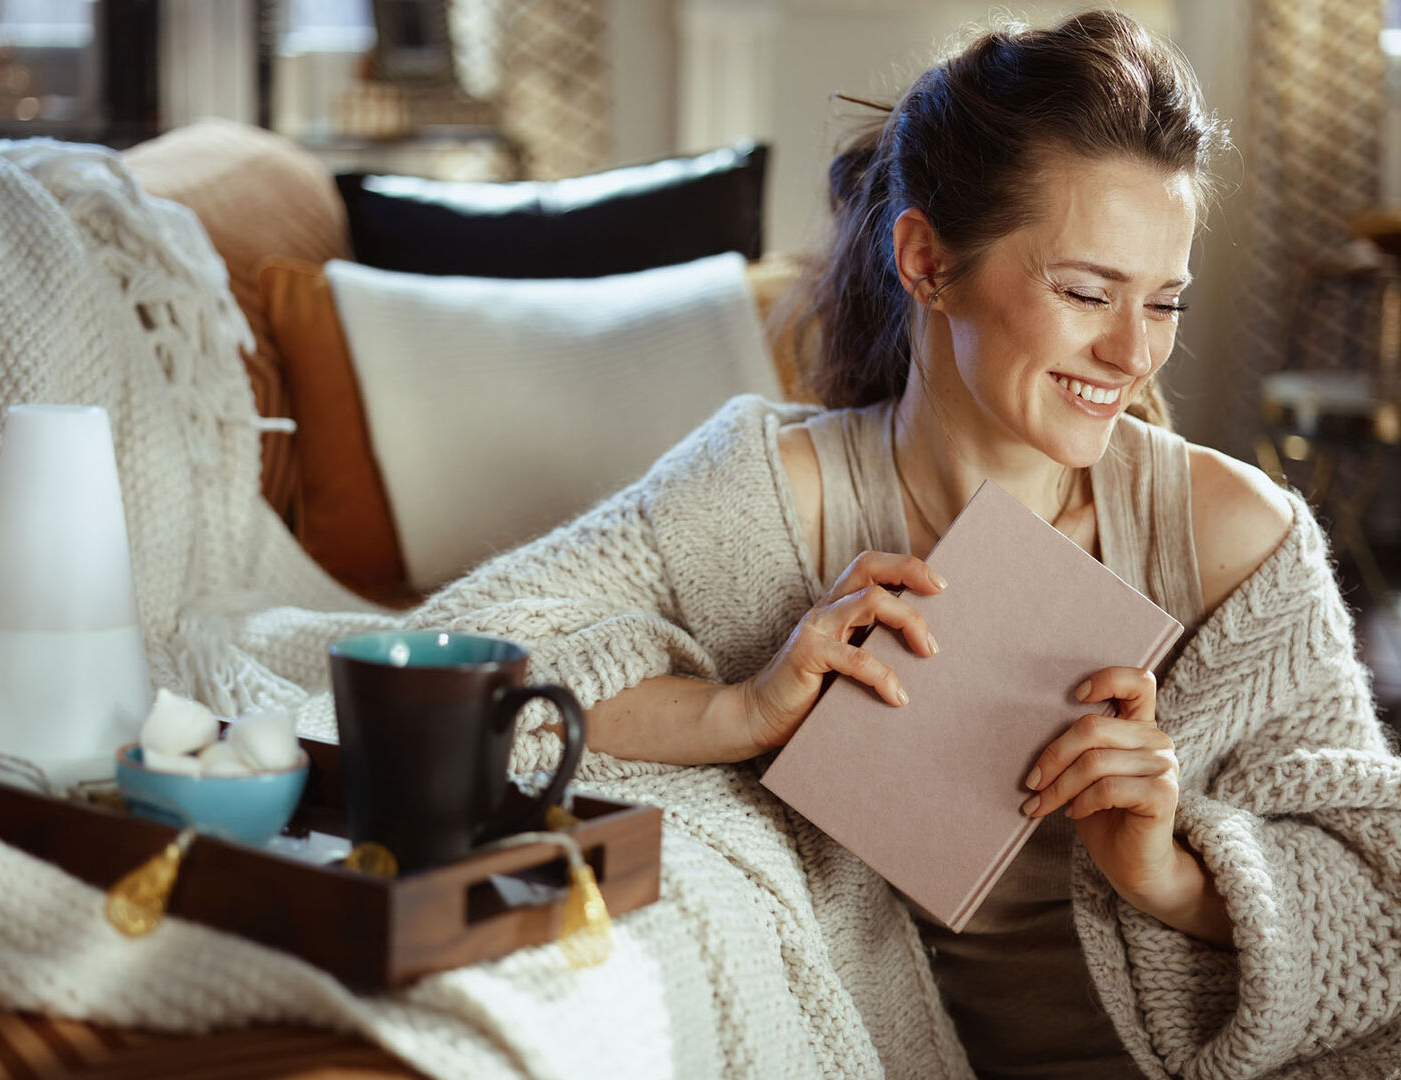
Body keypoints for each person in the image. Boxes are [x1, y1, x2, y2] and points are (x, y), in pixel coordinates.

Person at [412, 9, 1401, 1077]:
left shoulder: (1232, 540)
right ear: (926, 260)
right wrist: (739, 712)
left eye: (1162, 301)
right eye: (1084, 291)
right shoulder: (768, 492)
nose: (1130, 351)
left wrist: (1169, 872)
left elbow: (1380, 900)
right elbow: (453, 677)